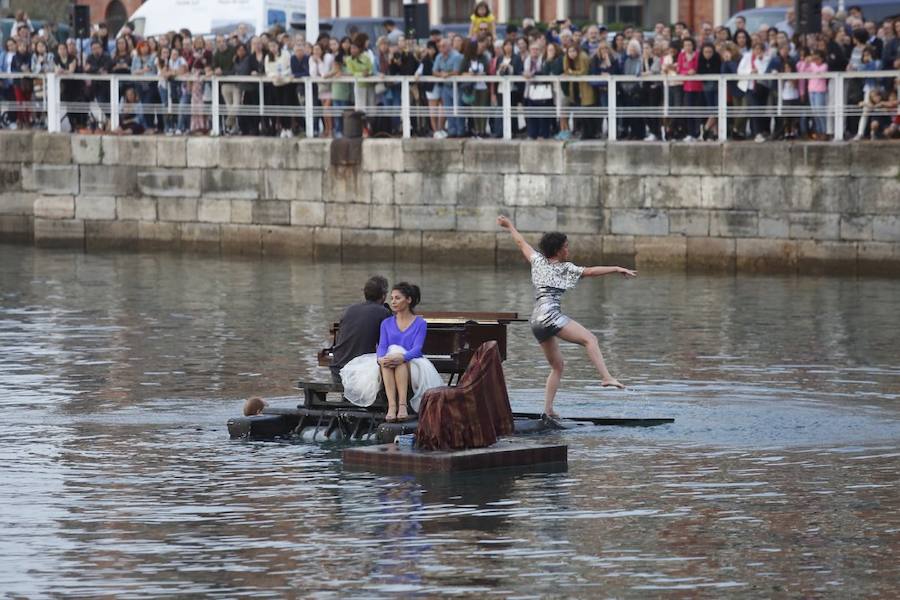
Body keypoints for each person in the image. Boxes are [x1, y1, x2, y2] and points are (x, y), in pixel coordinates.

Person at [497, 215, 636, 419]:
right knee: (591, 339)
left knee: (558, 366)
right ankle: (606, 377)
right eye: (567, 246)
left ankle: (548, 410)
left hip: (536, 320)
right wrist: (616, 268)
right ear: (560, 250)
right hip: (551, 316)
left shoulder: (537, 261)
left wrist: (509, 226)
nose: (568, 250)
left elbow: (520, 242)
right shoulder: (566, 268)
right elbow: (591, 271)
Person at [329, 275, 392, 384]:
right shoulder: (383, 312)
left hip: (337, 370)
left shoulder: (349, 310)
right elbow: (387, 346)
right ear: (383, 296)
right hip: (358, 372)